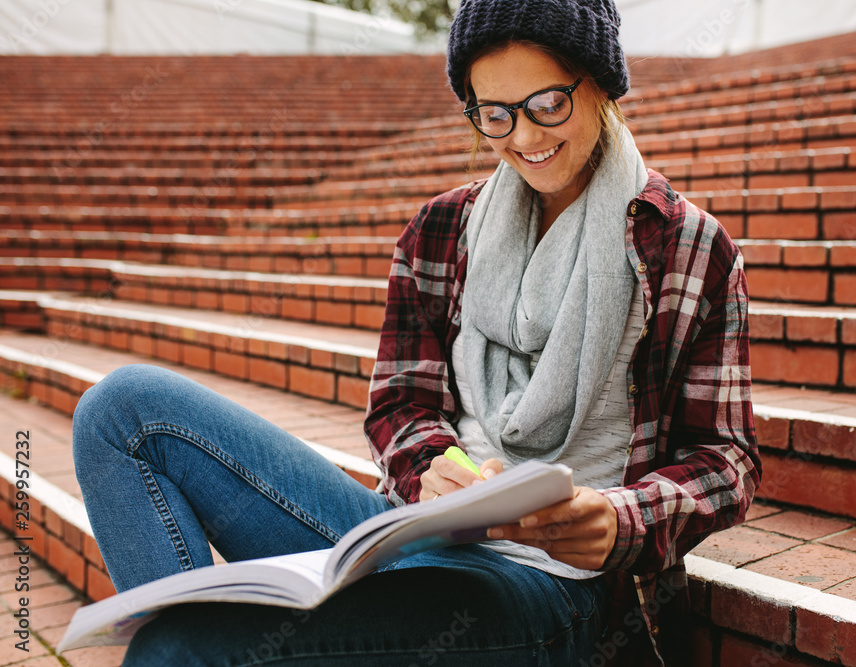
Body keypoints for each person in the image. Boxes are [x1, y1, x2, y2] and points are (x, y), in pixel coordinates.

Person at [71, 0, 761, 664]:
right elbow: (400, 405)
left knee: (175, 649)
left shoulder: (687, 246)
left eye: (548, 104)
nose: (523, 137)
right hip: (420, 535)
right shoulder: (442, 230)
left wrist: (621, 519)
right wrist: (433, 466)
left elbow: (726, 459)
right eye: (495, 115)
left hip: (553, 585)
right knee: (120, 410)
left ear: (602, 83)